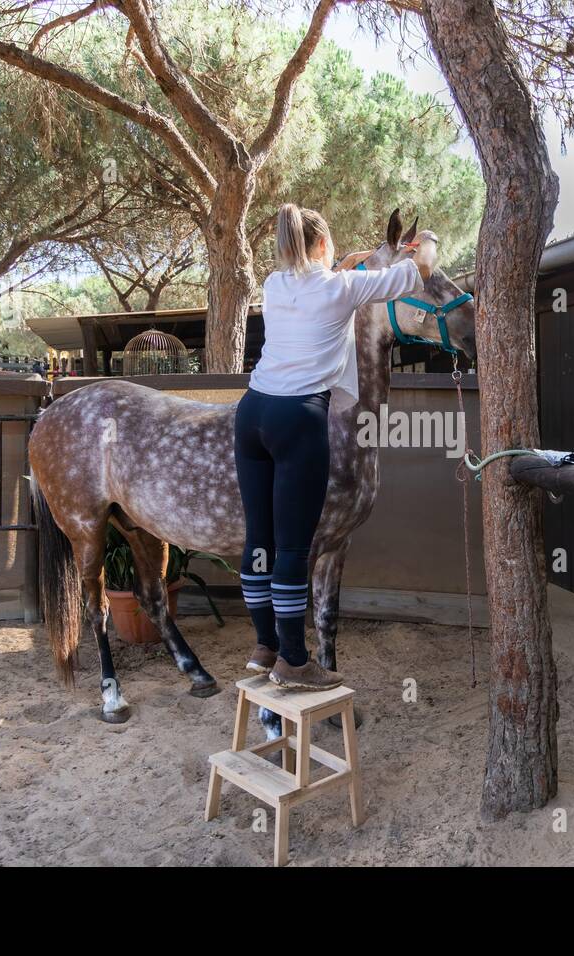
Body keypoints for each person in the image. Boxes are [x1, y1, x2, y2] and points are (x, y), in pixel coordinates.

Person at [235, 204, 439, 690]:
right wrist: (426, 238)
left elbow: (331, 269)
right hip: (298, 420)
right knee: (292, 547)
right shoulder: (343, 289)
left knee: (259, 538)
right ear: (322, 246)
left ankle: (264, 644)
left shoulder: (274, 284)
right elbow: (421, 271)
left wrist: (352, 258)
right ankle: (295, 660)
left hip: (253, 414)